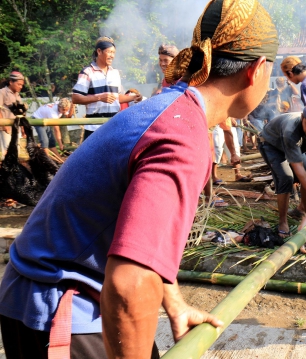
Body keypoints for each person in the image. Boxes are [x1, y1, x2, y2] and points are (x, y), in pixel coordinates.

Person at [0, 1, 279, 358]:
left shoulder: (169, 108)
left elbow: (142, 235)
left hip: (48, 293)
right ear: (256, 70)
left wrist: (173, 301)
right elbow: (130, 284)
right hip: (61, 308)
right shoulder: (182, 135)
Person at [258, 100, 306, 237]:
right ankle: (282, 221)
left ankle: (304, 209)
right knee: (286, 178)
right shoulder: (291, 130)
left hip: (294, 147)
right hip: (272, 144)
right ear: (302, 118)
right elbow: (298, 169)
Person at [72, 36, 142, 140]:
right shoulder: (87, 72)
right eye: (109, 52)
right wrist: (99, 97)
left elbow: (117, 97)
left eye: (114, 53)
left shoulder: (115, 73)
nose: (112, 56)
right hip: (93, 128)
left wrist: (133, 98)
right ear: (99, 51)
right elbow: (75, 98)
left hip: (113, 126)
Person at [0, 71, 25, 161]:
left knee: (16, 150)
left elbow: (20, 113)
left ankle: (14, 171)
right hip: (6, 128)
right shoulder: (2, 92)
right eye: (19, 84)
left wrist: (23, 128)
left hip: (16, 127)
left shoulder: (18, 95)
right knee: (7, 150)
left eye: (22, 85)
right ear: (11, 82)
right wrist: (4, 125)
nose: (21, 87)